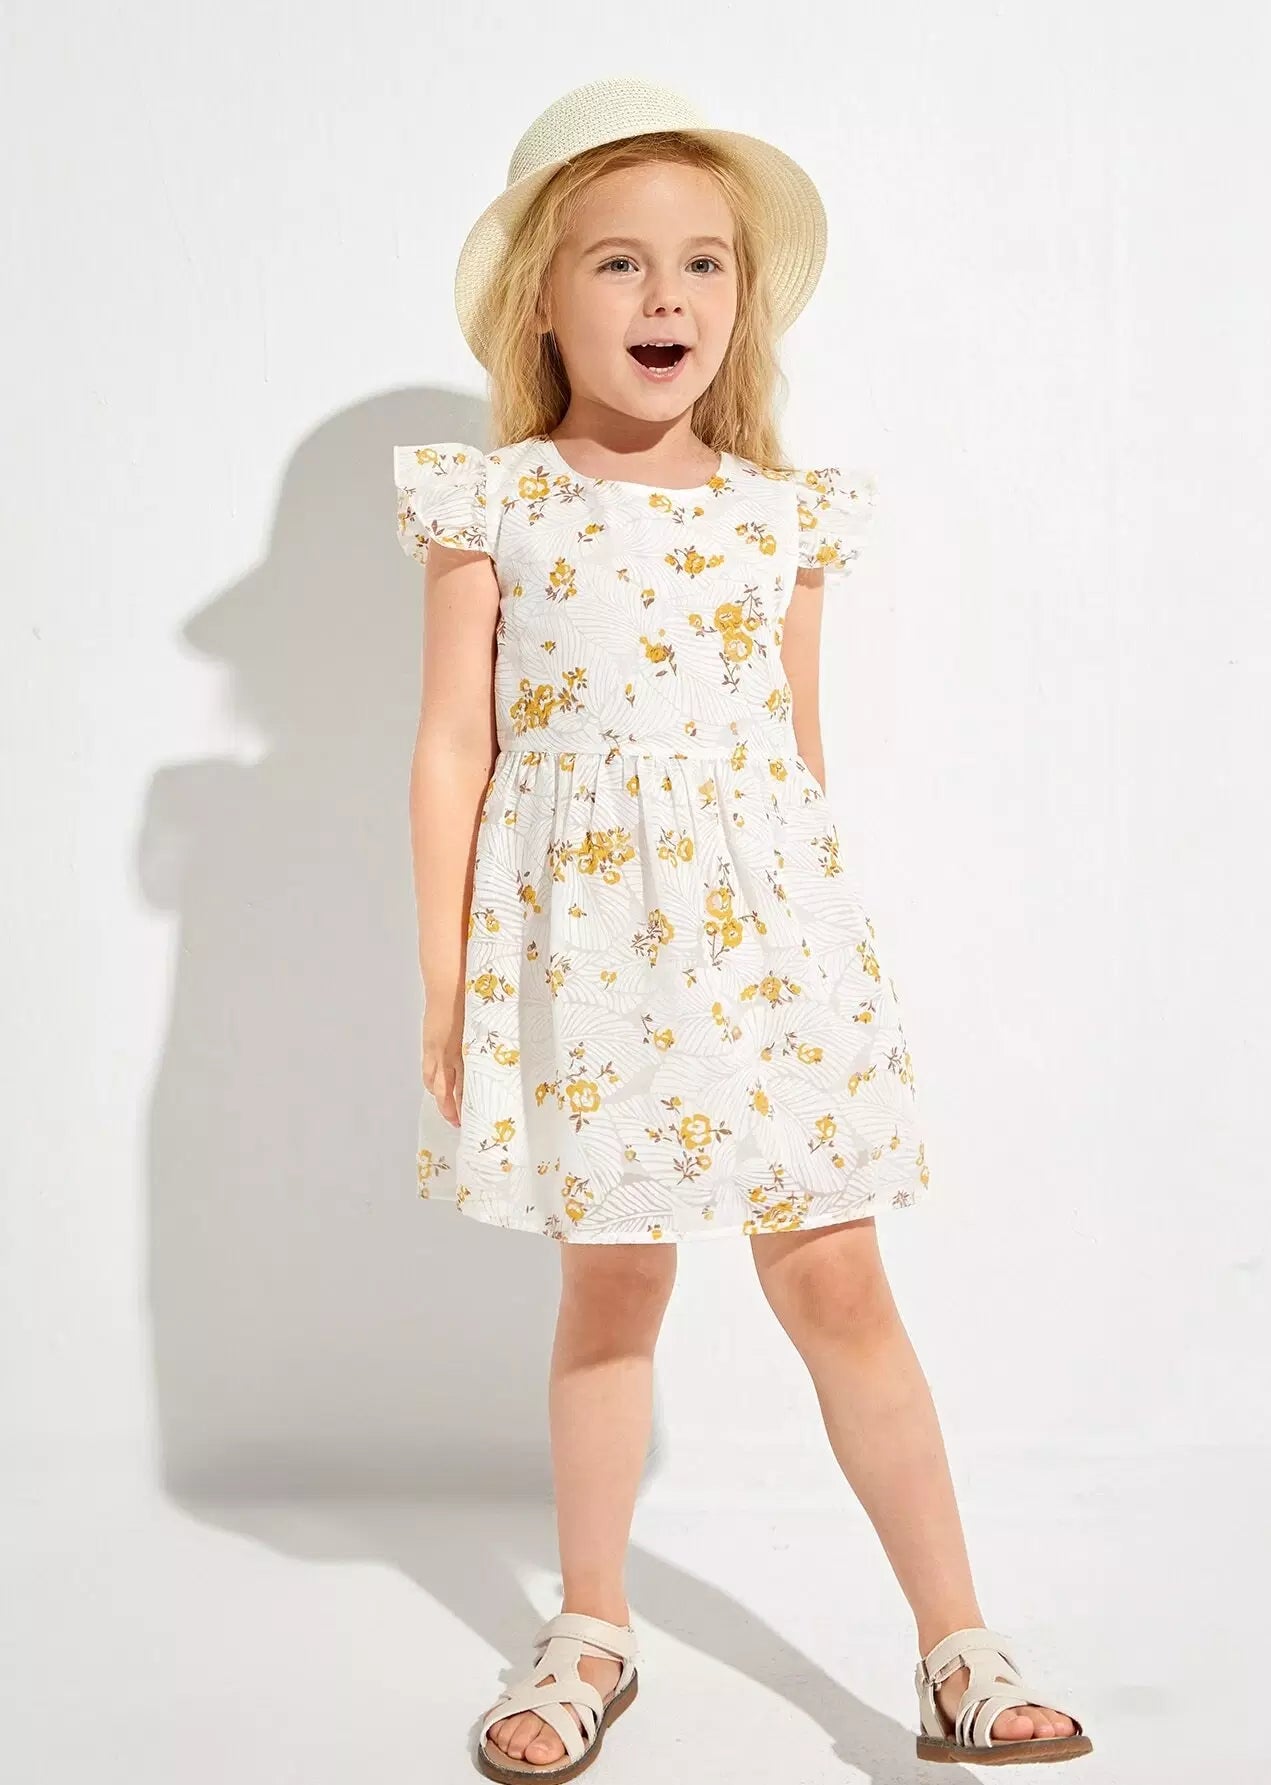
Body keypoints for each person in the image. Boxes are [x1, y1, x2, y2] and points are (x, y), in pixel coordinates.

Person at [392, 76, 1093, 1780]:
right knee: (613, 1274)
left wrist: (827, 969)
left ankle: (956, 1641)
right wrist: (446, 975)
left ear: (741, 300)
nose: (668, 297)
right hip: (584, 966)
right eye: (620, 263)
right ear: (542, 300)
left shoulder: (781, 515)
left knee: (837, 1274)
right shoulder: (498, 505)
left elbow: (796, 763)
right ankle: (591, 1625)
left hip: (774, 955)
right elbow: (455, 745)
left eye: (702, 263)